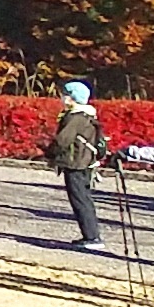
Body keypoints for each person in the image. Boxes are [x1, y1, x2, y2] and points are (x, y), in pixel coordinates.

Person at [52, 83, 109, 249]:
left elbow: (62, 140)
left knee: (80, 200)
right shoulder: (88, 115)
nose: (62, 97)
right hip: (86, 162)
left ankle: (92, 237)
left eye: (65, 94)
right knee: (84, 199)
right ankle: (91, 236)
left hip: (76, 163)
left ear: (72, 97)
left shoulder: (74, 117)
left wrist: (48, 151)